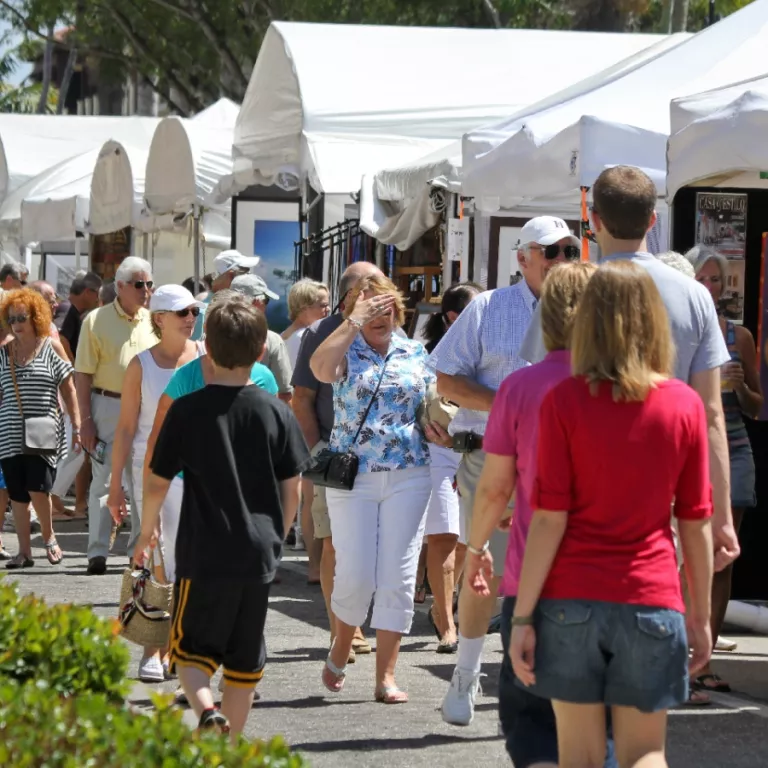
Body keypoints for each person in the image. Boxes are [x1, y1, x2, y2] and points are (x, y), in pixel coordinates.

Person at [505, 261, 714, 768]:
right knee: (645, 753)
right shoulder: (683, 405)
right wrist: (701, 616)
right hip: (651, 594)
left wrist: (523, 617)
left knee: (578, 756)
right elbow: (695, 520)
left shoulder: (564, 400)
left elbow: (549, 518)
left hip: (569, 600)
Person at [519, 167, 737, 577]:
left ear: (594, 221)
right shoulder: (694, 296)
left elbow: (537, 400)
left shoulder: (567, 290)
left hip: (577, 495)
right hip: (663, 493)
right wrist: (721, 515)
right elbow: (711, 414)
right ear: (652, 221)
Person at [133, 297, 309, 740]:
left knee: (191, 654)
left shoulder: (187, 410)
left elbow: (157, 479)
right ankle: (227, 750)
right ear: (259, 352)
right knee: (245, 663)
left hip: (203, 553)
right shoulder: (277, 412)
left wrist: (147, 528)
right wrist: (281, 532)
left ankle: (206, 710)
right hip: (258, 555)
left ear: (205, 347)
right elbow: (294, 486)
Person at [429, 216, 581, 726]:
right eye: (552, 252)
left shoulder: (588, 306)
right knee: (482, 573)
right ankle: (467, 675)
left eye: (569, 250)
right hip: (491, 454)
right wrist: (509, 404)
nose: (562, 260)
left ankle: (549, 683)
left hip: (563, 458)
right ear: (523, 258)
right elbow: (445, 378)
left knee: (555, 571)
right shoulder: (488, 307)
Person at [464, 262, 601, 767]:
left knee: (536, 729)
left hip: (540, 579)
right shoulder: (644, 387)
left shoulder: (524, 387)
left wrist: (475, 550)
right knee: (612, 739)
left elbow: (497, 487)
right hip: (623, 584)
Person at [311, 274, 446, 704]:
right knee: (356, 571)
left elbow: (430, 401)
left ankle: (385, 676)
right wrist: (352, 322)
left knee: (400, 573)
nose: (380, 314)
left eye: (386, 305)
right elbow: (319, 370)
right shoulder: (343, 349)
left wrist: (437, 421)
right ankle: (342, 641)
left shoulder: (415, 351)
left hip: (411, 471)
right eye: (370, 307)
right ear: (353, 309)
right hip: (356, 475)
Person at [106, 285, 205, 683]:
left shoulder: (205, 357)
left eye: (194, 310)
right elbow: (127, 429)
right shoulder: (140, 365)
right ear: (159, 317)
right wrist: (115, 487)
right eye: (181, 311)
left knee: (194, 562)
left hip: (200, 471)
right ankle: (153, 648)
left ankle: (184, 648)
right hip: (153, 473)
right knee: (159, 559)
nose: (190, 317)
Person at [291, 261, 386, 660]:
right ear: (350, 296)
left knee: (374, 548)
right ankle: (342, 629)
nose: (379, 296)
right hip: (338, 457)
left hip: (385, 460)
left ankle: (359, 621)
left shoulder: (389, 330)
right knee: (335, 544)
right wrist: (318, 451)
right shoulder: (320, 333)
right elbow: (303, 399)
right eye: (370, 289)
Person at [686, 244, 763, 693]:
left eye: (717, 280)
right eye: (704, 278)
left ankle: (705, 660)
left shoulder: (741, 336)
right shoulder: (681, 329)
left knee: (723, 560)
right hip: (689, 449)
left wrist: (738, 387)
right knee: (686, 557)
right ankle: (682, 654)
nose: (711, 287)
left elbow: (758, 405)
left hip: (733, 449)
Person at [74, 256, 156, 575]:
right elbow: (82, 375)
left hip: (144, 407)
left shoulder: (154, 321)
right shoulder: (94, 321)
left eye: (149, 283)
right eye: (139, 284)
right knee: (104, 478)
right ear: (120, 287)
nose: (146, 290)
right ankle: (97, 551)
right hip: (107, 405)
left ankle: (137, 549)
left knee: (140, 477)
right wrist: (85, 421)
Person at [419, 282, 483, 653]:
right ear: (453, 318)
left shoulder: (489, 351)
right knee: (444, 536)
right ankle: (447, 623)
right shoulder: (427, 356)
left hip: (477, 451)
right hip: (440, 454)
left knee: (465, 540)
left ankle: (445, 610)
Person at [0, 288, 80, 568]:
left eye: (21, 317)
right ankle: (24, 552)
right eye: (11, 318)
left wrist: (78, 424)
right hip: (8, 432)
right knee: (18, 492)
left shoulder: (50, 346)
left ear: (35, 315)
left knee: (38, 487)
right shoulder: (4, 353)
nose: (16, 323)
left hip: (43, 427)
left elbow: (69, 389)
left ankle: (48, 536)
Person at [230, 274, 293, 403]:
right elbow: (285, 394)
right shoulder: (271, 339)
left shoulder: (210, 335)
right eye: (266, 301)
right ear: (257, 302)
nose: (266, 306)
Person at [190, 249, 260, 341]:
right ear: (231, 275)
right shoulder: (202, 310)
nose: (249, 275)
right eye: (245, 271)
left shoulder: (204, 304)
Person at [282, 279, 331, 369]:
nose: (328, 309)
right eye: (323, 305)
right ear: (304, 307)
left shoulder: (284, 334)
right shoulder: (304, 337)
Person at [59, 272, 102, 362]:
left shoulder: (78, 311)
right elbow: (62, 339)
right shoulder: (68, 309)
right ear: (87, 292)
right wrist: (74, 366)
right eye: (98, 294)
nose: (98, 299)